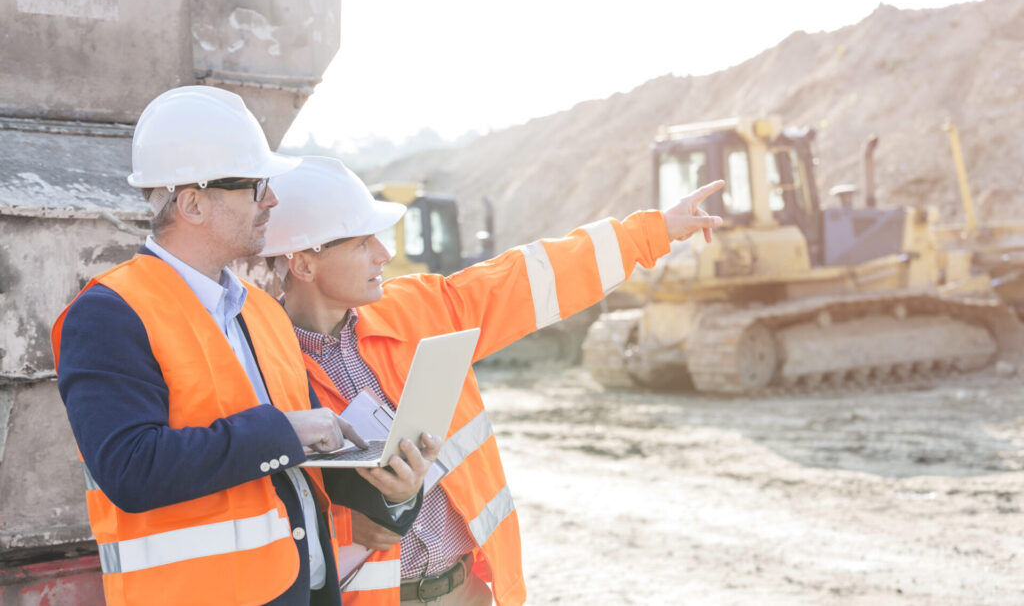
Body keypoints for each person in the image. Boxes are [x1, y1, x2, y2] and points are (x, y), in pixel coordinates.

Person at [258, 156, 724, 605]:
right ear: (303, 264)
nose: (384, 253)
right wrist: (343, 526)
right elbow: (247, 504)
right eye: (362, 243)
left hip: (468, 592)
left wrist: (652, 232)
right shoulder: (259, 365)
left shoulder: (419, 309)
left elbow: (528, 278)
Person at [51, 87, 438, 606]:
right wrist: (285, 431)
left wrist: (394, 489)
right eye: (257, 186)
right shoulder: (109, 313)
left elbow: (305, 461)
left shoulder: (261, 311)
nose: (272, 201)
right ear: (192, 203)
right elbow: (130, 468)